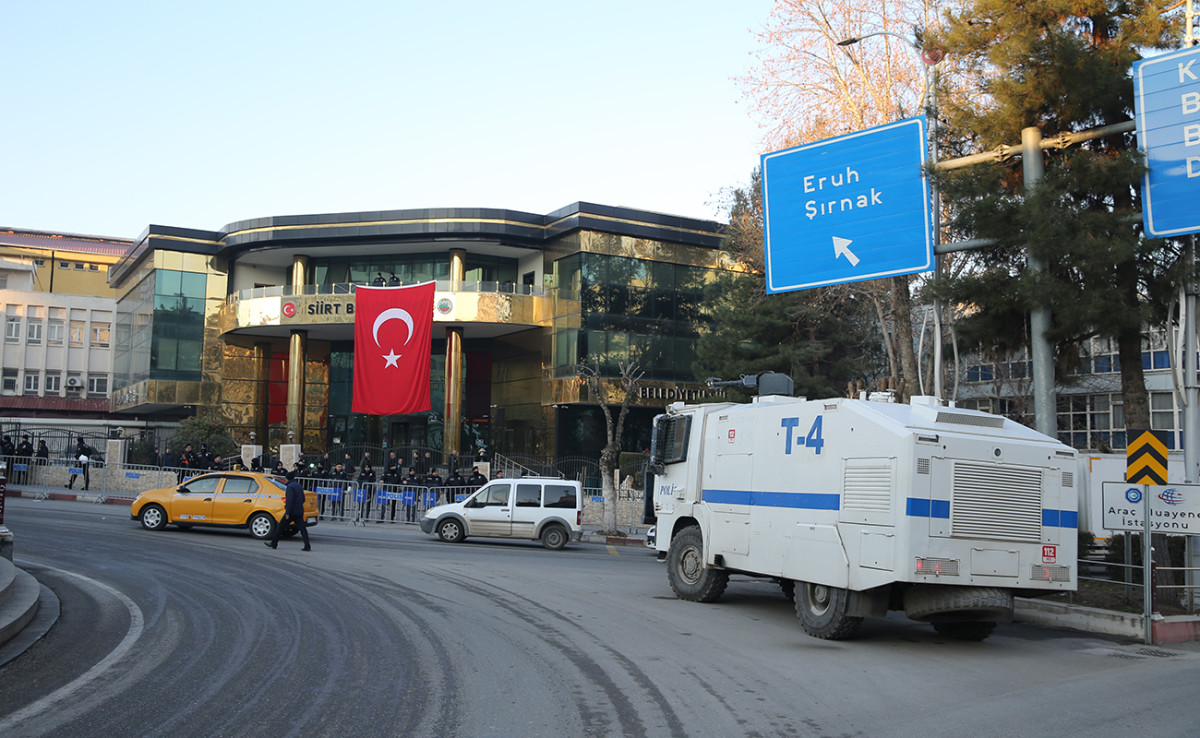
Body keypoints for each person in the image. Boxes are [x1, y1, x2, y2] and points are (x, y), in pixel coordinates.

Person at [265, 470, 311, 551]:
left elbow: (290, 500)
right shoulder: (298, 485)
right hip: (299, 511)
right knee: (303, 529)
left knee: (280, 527)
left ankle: (274, 543)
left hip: (291, 512)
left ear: (287, 479)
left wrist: (288, 512)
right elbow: (303, 499)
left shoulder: (290, 487)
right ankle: (307, 545)